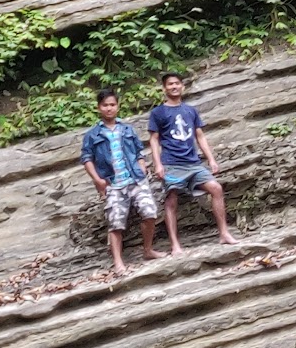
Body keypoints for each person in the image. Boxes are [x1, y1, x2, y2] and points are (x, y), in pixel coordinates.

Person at [147, 72, 239, 252]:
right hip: (171, 163)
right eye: (170, 84)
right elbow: (154, 140)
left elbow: (200, 136)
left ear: (182, 86)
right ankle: (175, 244)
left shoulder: (191, 111)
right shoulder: (158, 113)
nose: (174, 87)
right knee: (171, 199)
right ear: (164, 88)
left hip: (193, 163)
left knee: (216, 189)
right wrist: (157, 164)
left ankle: (224, 233)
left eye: (177, 83)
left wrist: (211, 159)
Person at [81, 88, 165, 276]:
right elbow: (87, 159)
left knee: (150, 212)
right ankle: (118, 263)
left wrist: (142, 165)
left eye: (112, 105)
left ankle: (148, 250)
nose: (109, 108)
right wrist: (97, 180)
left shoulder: (127, 129)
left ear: (117, 107)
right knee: (116, 223)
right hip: (113, 184)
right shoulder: (92, 135)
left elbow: (138, 151)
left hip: (135, 179)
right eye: (105, 105)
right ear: (98, 108)